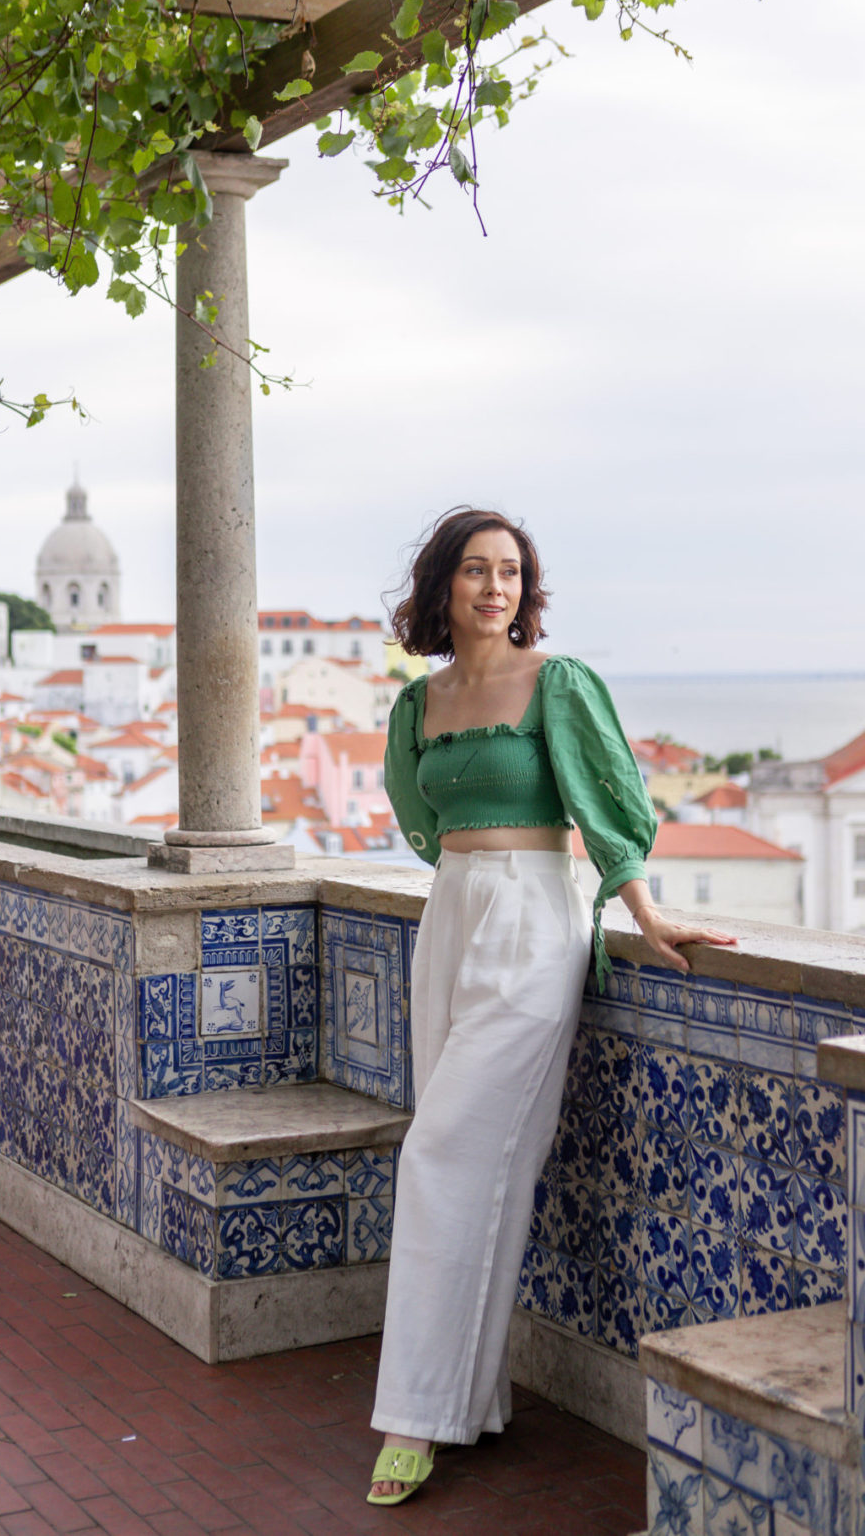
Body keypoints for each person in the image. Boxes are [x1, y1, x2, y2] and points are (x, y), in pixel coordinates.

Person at [367, 508, 736, 1506]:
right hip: (451, 918)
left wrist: (646, 915)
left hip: (535, 919)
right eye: (479, 572)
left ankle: (412, 1417)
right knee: (490, 1161)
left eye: (513, 574)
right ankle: (470, 1400)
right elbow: (416, 811)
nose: (498, 589)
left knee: (438, 1152)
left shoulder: (558, 683)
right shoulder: (422, 702)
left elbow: (608, 805)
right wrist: (466, 878)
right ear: (444, 586)